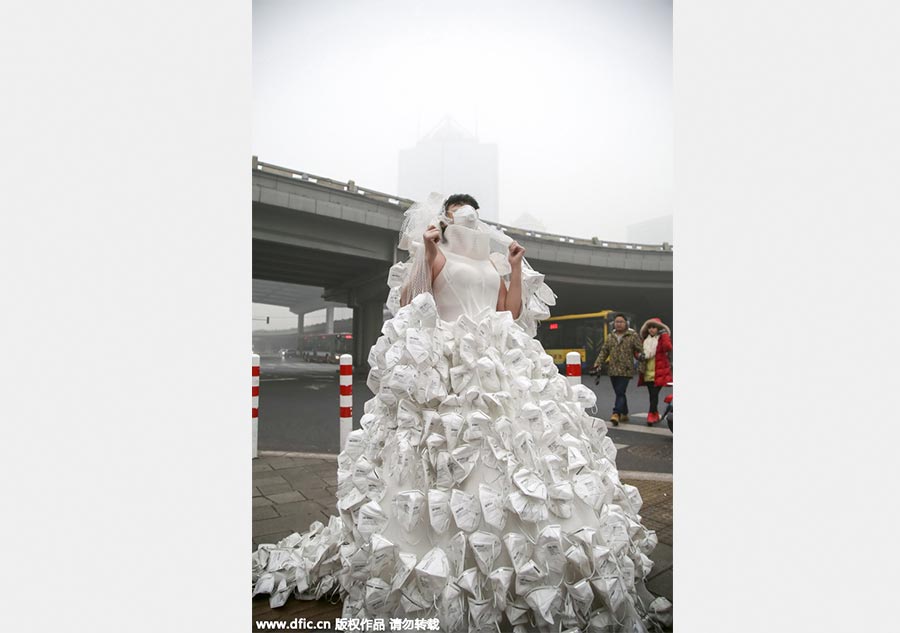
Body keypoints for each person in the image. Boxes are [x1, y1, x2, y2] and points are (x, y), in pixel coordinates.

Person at [252, 193, 666, 632]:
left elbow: (509, 312)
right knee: (443, 460)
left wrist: (516, 266)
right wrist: (429, 251)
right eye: (459, 212)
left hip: (500, 367)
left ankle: (527, 562)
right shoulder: (435, 252)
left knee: (516, 458)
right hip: (445, 369)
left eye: (474, 212)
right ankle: (441, 567)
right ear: (446, 218)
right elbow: (413, 303)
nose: (469, 218)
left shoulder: (493, 261)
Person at [592, 313, 642, 426]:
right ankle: (624, 413)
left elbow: (639, 349)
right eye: (617, 322)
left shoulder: (632, 335)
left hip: (626, 370)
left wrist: (640, 358)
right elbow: (604, 351)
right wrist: (597, 363)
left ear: (626, 323)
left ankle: (616, 413)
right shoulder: (611, 336)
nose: (619, 324)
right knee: (620, 392)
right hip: (613, 369)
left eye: (621, 322)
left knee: (620, 391)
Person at [637, 318, 672, 425]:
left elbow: (668, 348)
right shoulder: (644, 340)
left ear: (659, 329)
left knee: (654, 394)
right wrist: (639, 356)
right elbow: (637, 352)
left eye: (654, 327)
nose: (651, 330)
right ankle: (654, 413)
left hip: (659, 372)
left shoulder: (662, 339)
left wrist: (665, 334)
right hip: (647, 372)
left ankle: (651, 414)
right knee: (652, 395)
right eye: (650, 327)